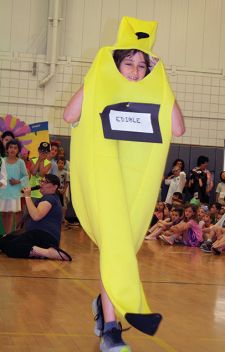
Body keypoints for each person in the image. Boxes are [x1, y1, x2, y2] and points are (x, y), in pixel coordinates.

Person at [64, 17, 185, 351]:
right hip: (104, 184)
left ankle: (106, 308)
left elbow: (178, 129)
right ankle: (114, 327)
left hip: (135, 188)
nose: (134, 70)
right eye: (128, 63)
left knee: (121, 250)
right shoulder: (100, 85)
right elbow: (69, 116)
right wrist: (93, 82)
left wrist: (162, 82)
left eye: (142, 65)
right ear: (116, 64)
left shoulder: (154, 92)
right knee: (115, 249)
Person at [0, 174, 71, 261]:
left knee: (12, 247)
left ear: (55, 187)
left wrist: (27, 196)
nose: (41, 184)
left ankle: (49, 253)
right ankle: (37, 252)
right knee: (4, 241)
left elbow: (36, 216)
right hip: (35, 234)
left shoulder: (50, 199)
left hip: (44, 236)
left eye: (45, 182)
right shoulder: (46, 198)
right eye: (41, 181)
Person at [0, 139, 29, 234]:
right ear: (7, 149)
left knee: (11, 213)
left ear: (18, 150)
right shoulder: (2, 160)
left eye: (15, 148)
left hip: (14, 192)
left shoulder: (20, 162)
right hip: (3, 192)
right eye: (10, 147)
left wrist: (18, 181)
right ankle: (5, 235)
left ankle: (8, 235)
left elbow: (25, 176)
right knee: (4, 213)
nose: (12, 149)